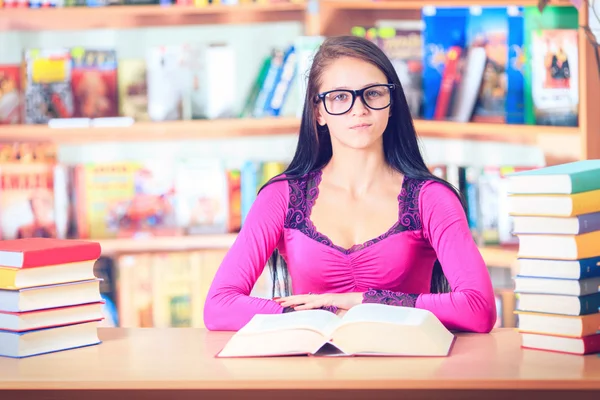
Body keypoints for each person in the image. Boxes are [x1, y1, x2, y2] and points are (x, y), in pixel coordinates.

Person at [204, 35, 496, 333]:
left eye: (373, 93)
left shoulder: (431, 199)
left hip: (408, 372)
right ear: (318, 111)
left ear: (391, 102)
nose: (359, 109)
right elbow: (218, 306)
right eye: (340, 97)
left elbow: (478, 309)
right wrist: (326, 313)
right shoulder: (282, 196)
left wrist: (362, 302)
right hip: (312, 372)